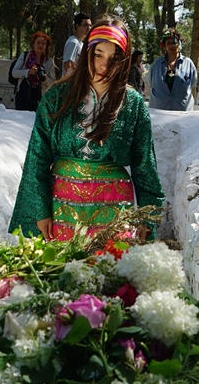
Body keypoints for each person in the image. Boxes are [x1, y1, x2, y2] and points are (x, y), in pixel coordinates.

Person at [9, 17, 165, 242]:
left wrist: (147, 217)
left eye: (114, 58)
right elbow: (37, 158)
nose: (104, 65)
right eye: (98, 54)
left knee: (107, 273)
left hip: (114, 210)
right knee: (61, 272)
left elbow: (145, 166)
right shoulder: (57, 97)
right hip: (60, 206)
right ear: (86, 53)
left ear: (124, 61)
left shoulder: (133, 103)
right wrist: (40, 211)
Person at [148, 28, 198, 111]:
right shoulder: (157, 63)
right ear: (165, 45)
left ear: (179, 44)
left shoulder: (188, 63)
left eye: (174, 43)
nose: (172, 46)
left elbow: (193, 82)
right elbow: (151, 81)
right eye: (169, 43)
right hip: (158, 109)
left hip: (181, 110)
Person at [12, 31, 54, 112]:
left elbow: (53, 82)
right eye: (38, 42)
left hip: (40, 96)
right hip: (23, 93)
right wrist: (28, 72)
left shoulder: (49, 61)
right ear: (33, 44)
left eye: (43, 43)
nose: (40, 45)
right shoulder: (25, 56)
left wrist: (45, 78)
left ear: (46, 46)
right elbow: (14, 73)